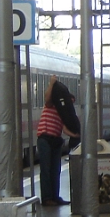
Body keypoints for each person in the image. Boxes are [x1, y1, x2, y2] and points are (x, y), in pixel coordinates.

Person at [37, 76, 72, 206]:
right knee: (46, 169)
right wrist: (51, 83)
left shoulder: (63, 112)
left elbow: (64, 128)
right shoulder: (50, 105)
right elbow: (47, 97)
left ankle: (55, 196)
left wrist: (75, 135)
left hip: (56, 139)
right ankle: (47, 198)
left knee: (55, 169)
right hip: (45, 138)